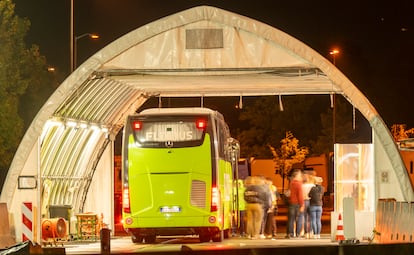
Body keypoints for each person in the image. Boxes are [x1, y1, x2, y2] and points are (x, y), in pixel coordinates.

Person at [287, 169, 304, 238]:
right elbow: (300, 195)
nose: (301, 177)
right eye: (300, 175)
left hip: (291, 203)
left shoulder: (291, 183)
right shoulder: (298, 184)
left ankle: (290, 233)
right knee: (299, 218)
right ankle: (298, 233)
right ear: (296, 175)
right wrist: (302, 204)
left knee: (291, 219)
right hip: (297, 203)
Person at [301, 173, 315, 238]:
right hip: (311, 202)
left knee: (305, 217)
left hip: (304, 201)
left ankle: (306, 232)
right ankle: (311, 231)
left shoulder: (302, 186)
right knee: (311, 218)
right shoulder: (313, 185)